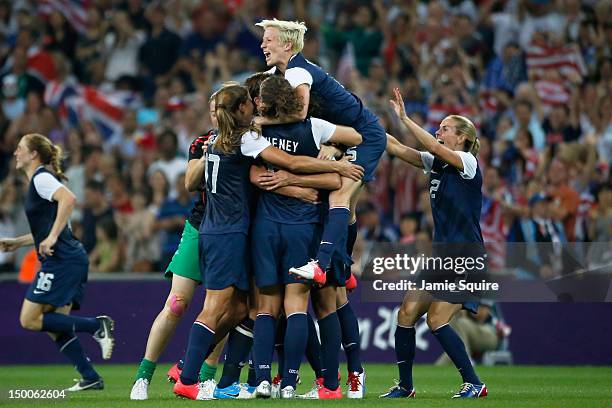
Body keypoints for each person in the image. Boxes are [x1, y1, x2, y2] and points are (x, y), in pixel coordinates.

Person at [172, 83, 363, 400]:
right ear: (239, 110)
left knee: (243, 308)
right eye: (248, 102)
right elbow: (292, 163)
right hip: (230, 232)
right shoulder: (246, 140)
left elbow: (218, 177)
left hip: (218, 229)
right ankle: (189, 378)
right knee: (220, 307)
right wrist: (336, 164)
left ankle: (235, 380)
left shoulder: (220, 139)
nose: (254, 105)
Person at [248, 75, 362, 399]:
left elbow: (254, 175)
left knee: (266, 308)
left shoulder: (256, 131)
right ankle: (289, 384)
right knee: (298, 305)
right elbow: (354, 138)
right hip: (305, 228)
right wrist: (333, 156)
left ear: (261, 102)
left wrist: (282, 181)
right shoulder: (315, 127)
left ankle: (262, 382)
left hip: (267, 226)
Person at [254, 19, 386, 288]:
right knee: (345, 212)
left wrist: (261, 122)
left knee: (339, 194)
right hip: (346, 133)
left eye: (268, 39)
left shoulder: (297, 72)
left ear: (287, 44)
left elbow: (300, 113)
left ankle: (321, 265)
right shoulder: (279, 75)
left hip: (363, 135)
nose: (262, 45)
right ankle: (344, 268)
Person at [382, 88, 487, 399]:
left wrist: (404, 118)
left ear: (462, 139)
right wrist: (364, 125)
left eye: (444, 128)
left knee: (437, 318)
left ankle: (474, 383)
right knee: (406, 312)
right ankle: (405, 386)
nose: (438, 131)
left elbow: (428, 145)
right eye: (438, 127)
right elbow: (398, 149)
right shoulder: (438, 162)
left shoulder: (467, 162)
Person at [0, 133, 115, 391]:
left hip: (62, 260)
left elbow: (69, 200)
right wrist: (18, 242)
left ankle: (97, 325)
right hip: (69, 258)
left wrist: (51, 238)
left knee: (29, 319)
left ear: (33, 154)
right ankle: (90, 377)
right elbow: (54, 226)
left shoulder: (41, 178)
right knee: (54, 325)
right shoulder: (40, 181)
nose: (15, 153)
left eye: (20, 149)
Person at [130, 97, 226, 400]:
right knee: (176, 304)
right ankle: (142, 377)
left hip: (231, 232)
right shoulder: (200, 143)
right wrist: (210, 151)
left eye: (220, 109)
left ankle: (206, 378)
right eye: (212, 110)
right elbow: (189, 183)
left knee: (222, 308)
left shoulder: (249, 141)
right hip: (200, 226)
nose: (215, 115)